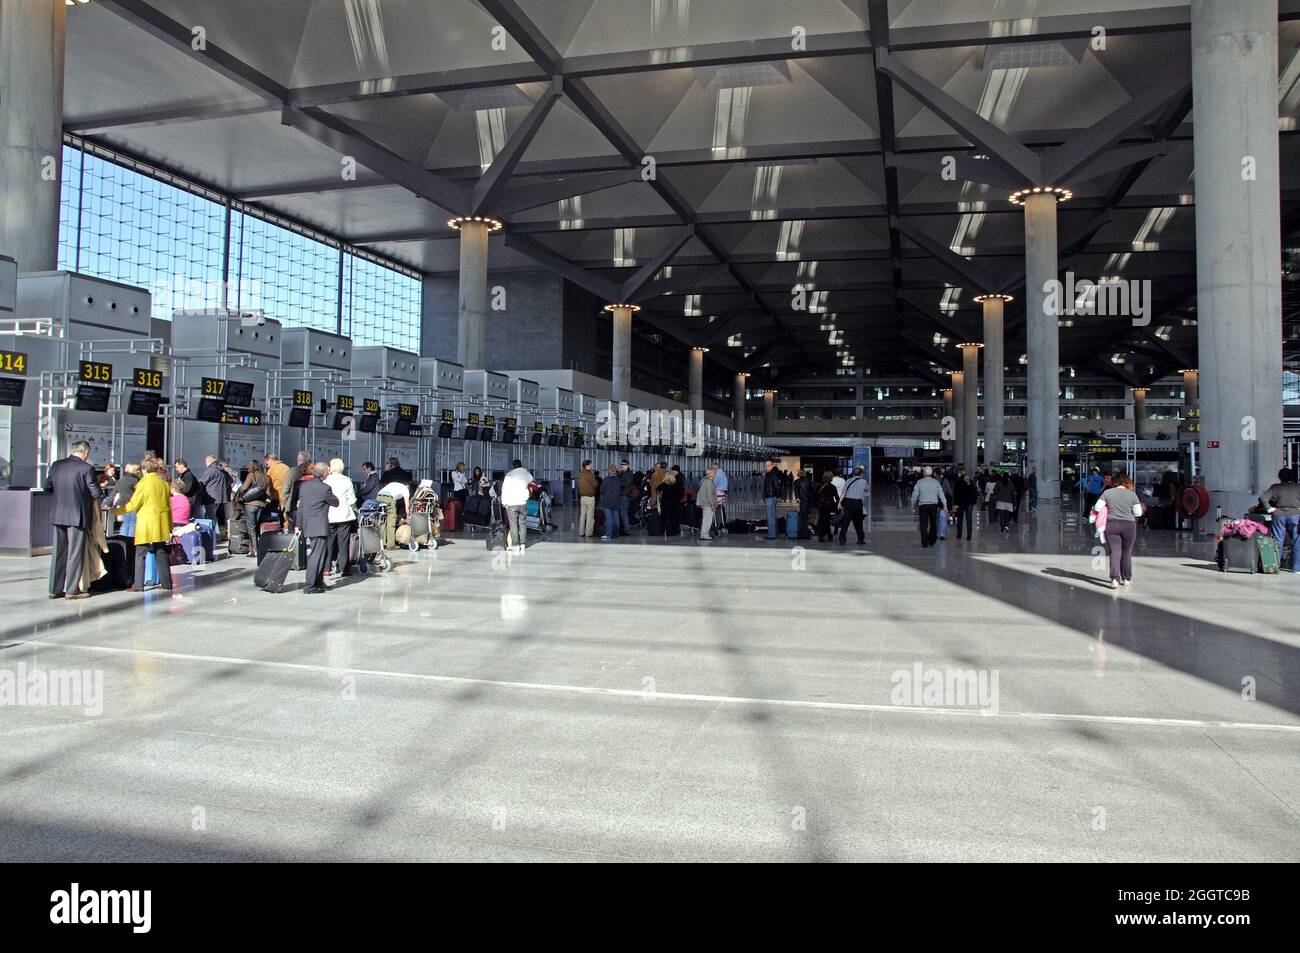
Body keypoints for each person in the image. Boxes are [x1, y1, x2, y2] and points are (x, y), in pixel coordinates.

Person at [44, 440, 102, 600]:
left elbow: (47, 487)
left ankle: (54, 589)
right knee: (75, 553)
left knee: (58, 553)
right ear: (86, 453)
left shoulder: (56, 465)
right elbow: (95, 492)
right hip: (78, 515)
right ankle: (71, 590)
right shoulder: (86, 468)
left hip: (57, 515)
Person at [115, 459, 174, 595]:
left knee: (140, 554)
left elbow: (134, 504)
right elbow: (169, 506)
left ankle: (138, 585)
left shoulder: (143, 484)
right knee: (161, 552)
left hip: (146, 523)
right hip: (161, 522)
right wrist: (170, 524)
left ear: (144, 470)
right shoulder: (164, 484)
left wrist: (117, 510)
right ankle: (167, 583)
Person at [1095, 473, 1143, 589]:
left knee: (1114, 552)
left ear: (1115, 482)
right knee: (1127, 552)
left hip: (1112, 525)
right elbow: (1138, 513)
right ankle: (1126, 579)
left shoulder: (1107, 493)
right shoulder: (1132, 495)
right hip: (1129, 526)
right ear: (1127, 482)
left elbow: (1097, 508)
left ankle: (1115, 579)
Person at [298, 462, 340, 594]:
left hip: (308, 524)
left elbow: (301, 507)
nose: (329, 473)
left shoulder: (304, 486)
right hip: (319, 526)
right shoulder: (325, 488)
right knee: (317, 555)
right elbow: (336, 502)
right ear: (323, 473)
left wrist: (299, 525)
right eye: (328, 471)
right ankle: (310, 585)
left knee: (321, 554)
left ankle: (318, 582)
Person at [1259, 467, 1300, 572]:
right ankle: (1296, 568)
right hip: (1295, 515)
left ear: (1280, 477)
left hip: (1279, 515)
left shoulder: (1275, 487)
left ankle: (1275, 567)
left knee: (1277, 541)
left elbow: (1263, 498)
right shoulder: (1297, 487)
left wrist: (1269, 509)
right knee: (1296, 541)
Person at [325, 458, 358, 577]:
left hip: (329, 515)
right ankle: (344, 569)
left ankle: (326, 568)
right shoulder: (347, 480)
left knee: (329, 543)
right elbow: (352, 500)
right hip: (344, 515)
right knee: (343, 543)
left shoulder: (326, 480)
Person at [236, 458, 272, 549]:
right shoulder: (266, 477)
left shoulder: (251, 475)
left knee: (251, 527)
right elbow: (268, 493)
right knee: (256, 526)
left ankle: (254, 550)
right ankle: (258, 548)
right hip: (261, 505)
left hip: (250, 504)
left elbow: (243, 488)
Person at [910, 465, 948, 548]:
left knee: (923, 525)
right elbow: (941, 495)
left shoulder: (919, 482)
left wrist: (912, 505)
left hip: (923, 505)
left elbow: (915, 495)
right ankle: (932, 540)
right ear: (931, 473)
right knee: (933, 523)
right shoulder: (936, 482)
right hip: (933, 505)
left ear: (924, 473)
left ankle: (925, 542)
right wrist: (945, 505)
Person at [501, 459, 534, 553]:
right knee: (522, 523)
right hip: (523, 501)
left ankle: (516, 545)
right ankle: (523, 544)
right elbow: (531, 482)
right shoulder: (525, 473)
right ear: (521, 465)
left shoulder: (509, 475)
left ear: (513, 466)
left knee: (513, 524)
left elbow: (504, 489)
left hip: (512, 502)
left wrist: (504, 503)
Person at [838, 465, 868, 545]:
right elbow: (867, 489)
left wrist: (839, 502)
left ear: (853, 474)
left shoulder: (848, 480)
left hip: (848, 502)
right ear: (861, 474)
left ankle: (842, 539)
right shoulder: (864, 481)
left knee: (846, 522)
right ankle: (860, 539)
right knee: (858, 522)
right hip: (858, 503)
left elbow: (843, 492)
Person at [197, 454, 231, 525]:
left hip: (211, 498)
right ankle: (219, 533)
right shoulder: (221, 470)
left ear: (209, 461)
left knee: (210, 517)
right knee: (218, 517)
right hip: (221, 499)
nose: (205, 463)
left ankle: (212, 534)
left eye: (205, 462)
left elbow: (202, 482)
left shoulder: (211, 470)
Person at [953, 469, 978, 541]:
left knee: (960, 519)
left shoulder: (958, 481)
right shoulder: (970, 481)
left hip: (960, 503)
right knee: (969, 519)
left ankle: (959, 534)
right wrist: (973, 501)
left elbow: (956, 493)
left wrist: (955, 503)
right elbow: (974, 492)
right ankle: (969, 535)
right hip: (969, 503)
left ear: (960, 473)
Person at [265, 453, 291, 520]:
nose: (266, 464)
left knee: (274, 518)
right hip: (287, 497)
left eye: (267, 461)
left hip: (276, 498)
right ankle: (286, 529)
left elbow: (268, 483)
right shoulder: (286, 467)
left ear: (271, 459)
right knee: (286, 518)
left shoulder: (272, 469)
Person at [599, 463, 622, 541]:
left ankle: (608, 534)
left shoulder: (606, 479)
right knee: (616, 518)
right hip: (616, 501)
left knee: (609, 519)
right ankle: (616, 533)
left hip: (607, 501)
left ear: (609, 471)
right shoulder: (619, 480)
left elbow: (601, 490)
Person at [815, 471, 839, 543]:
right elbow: (837, 497)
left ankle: (828, 535)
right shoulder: (833, 487)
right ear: (831, 478)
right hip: (829, 506)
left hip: (821, 506)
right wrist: (839, 504)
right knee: (826, 521)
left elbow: (816, 496)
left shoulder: (819, 486)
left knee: (823, 521)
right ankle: (822, 536)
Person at [659, 469, 684, 536]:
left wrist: (664, 481)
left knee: (666, 518)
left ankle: (667, 531)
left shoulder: (665, 485)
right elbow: (681, 493)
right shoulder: (676, 485)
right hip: (675, 504)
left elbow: (658, 488)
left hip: (666, 504)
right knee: (674, 518)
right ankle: (675, 531)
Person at [577, 459, 598, 538]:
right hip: (590, 498)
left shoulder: (581, 473)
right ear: (587, 465)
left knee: (582, 516)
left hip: (582, 498)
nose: (592, 466)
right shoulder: (589, 474)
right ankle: (588, 533)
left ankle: (581, 532)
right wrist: (593, 476)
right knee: (590, 516)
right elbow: (595, 484)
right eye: (591, 465)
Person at [697, 466, 718, 541]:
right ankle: (704, 534)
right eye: (714, 473)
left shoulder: (705, 480)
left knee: (707, 518)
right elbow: (709, 494)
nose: (715, 474)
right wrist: (712, 505)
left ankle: (705, 533)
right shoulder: (708, 481)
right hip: (707, 504)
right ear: (710, 473)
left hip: (705, 503)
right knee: (707, 519)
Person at [762, 460, 782, 539]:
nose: (767, 467)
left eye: (768, 465)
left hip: (770, 497)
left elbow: (777, 486)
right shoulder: (771, 473)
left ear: (772, 465)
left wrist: (777, 496)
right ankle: (774, 533)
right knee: (773, 516)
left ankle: (771, 535)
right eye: (766, 465)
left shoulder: (772, 474)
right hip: (770, 496)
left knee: (771, 517)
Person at [793, 469, 813, 540]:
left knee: (802, 517)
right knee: (806, 517)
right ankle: (806, 533)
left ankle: (802, 533)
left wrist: (798, 498)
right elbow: (811, 491)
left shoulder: (796, 482)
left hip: (802, 502)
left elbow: (796, 492)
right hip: (808, 501)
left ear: (798, 474)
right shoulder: (808, 481)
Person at [617, 459, 634, 536]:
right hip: (621, 494)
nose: (622, 466)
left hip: (624, 495)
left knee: (624, 513)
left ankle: (626, 529)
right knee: (621, 513)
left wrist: (619, 482)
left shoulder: (629, 473)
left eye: (624, 464)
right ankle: (622, 528)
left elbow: (627, 484)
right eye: (621, 464)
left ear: (628, 465)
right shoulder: (621, 473)